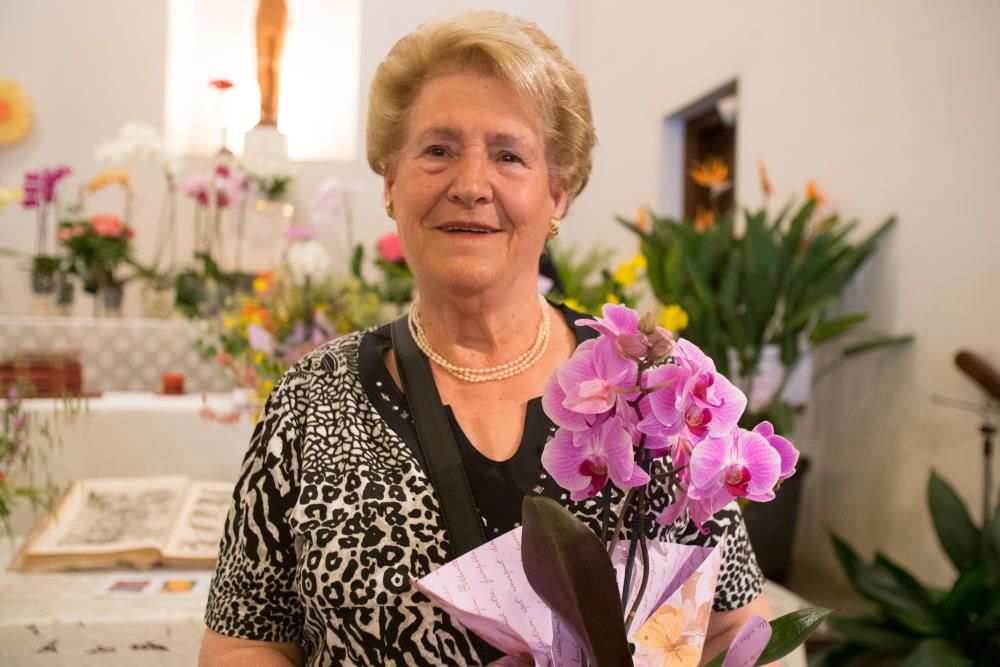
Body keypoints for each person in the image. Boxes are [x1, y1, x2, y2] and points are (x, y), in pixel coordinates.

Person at [199, 10, 771, 667]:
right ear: (390, 181)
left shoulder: (652, 398)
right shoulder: (311, 399)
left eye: (508, 155)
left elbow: (737, 631)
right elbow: (246, 641)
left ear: (557, 193)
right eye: (438, 150)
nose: (470, 185)